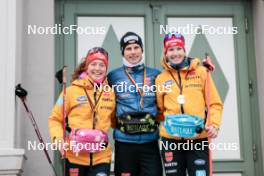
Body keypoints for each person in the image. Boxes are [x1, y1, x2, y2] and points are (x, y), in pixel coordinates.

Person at [156, 32, 223, 176]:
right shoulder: (161, 79)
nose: (175, 53)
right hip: (171, 141)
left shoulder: (201, 72)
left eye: (179, 48)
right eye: (171, 50)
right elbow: (160, 110)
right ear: (166, 53)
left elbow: (214, 104)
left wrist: (215, 125)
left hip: (198, 139)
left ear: (184, 50)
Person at [48, 47, 116, 176]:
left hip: (101, 158)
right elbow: (55, 119)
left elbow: (114, 121)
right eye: (93, 64)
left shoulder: (110, 93)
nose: (97, 68)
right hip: (75, 157)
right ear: (86, 67)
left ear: (106, 69)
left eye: (102, 65)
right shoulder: (70, 91)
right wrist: (59, 139)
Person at [107, 32, 163, 176]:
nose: (133, 52)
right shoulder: (113, 76)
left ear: (142, 49)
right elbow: (104, 102)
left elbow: (164, 104)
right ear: (123, 52)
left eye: (136, 47)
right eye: (128, 48)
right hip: (124, 142)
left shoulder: (156, 75)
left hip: (150, 142)